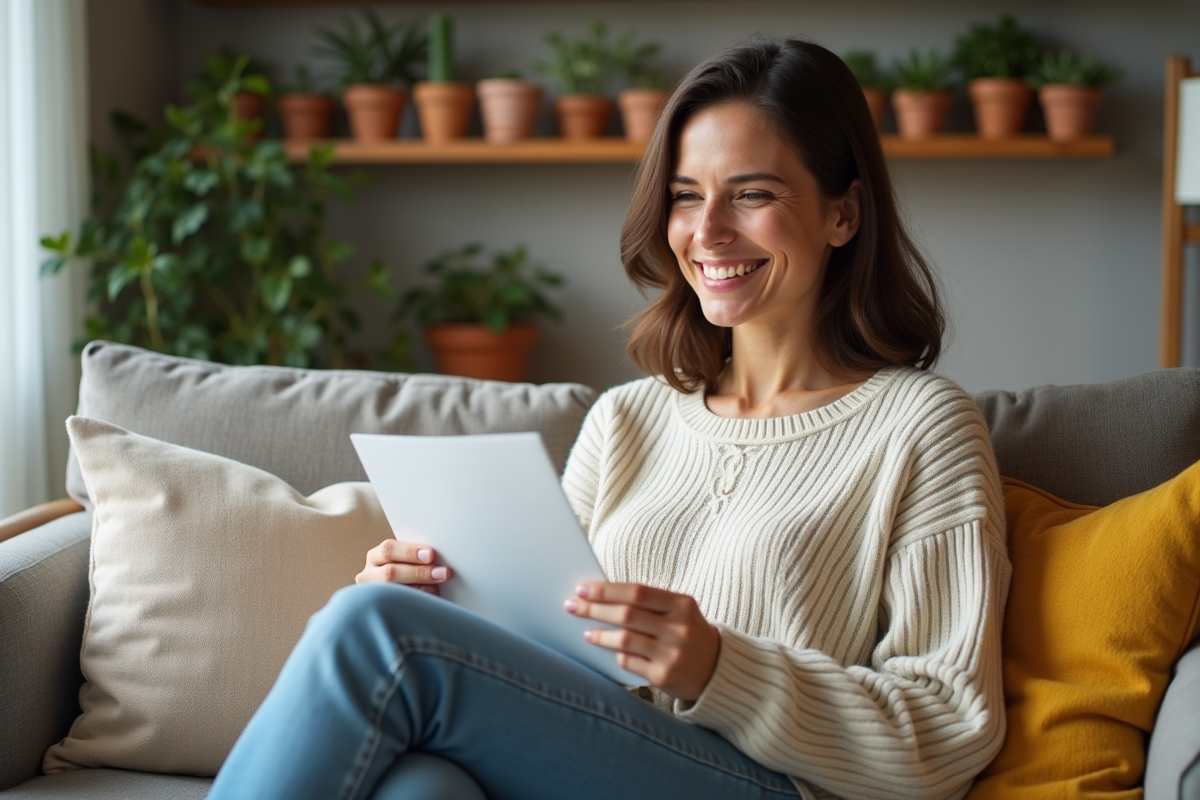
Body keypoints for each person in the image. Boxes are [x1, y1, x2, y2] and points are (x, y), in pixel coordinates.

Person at [208, 37, 1009, 800]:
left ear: (844, 214)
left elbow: (948, 732)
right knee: (421, 781)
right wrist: (439, 602)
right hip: (601, 756)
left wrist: (718, 669)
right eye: (687, 196)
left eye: (753, 194)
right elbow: (540, 660)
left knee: (377, 629)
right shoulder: (626, 420)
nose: (709, 231)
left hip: (775, 785)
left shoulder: (921, 427)